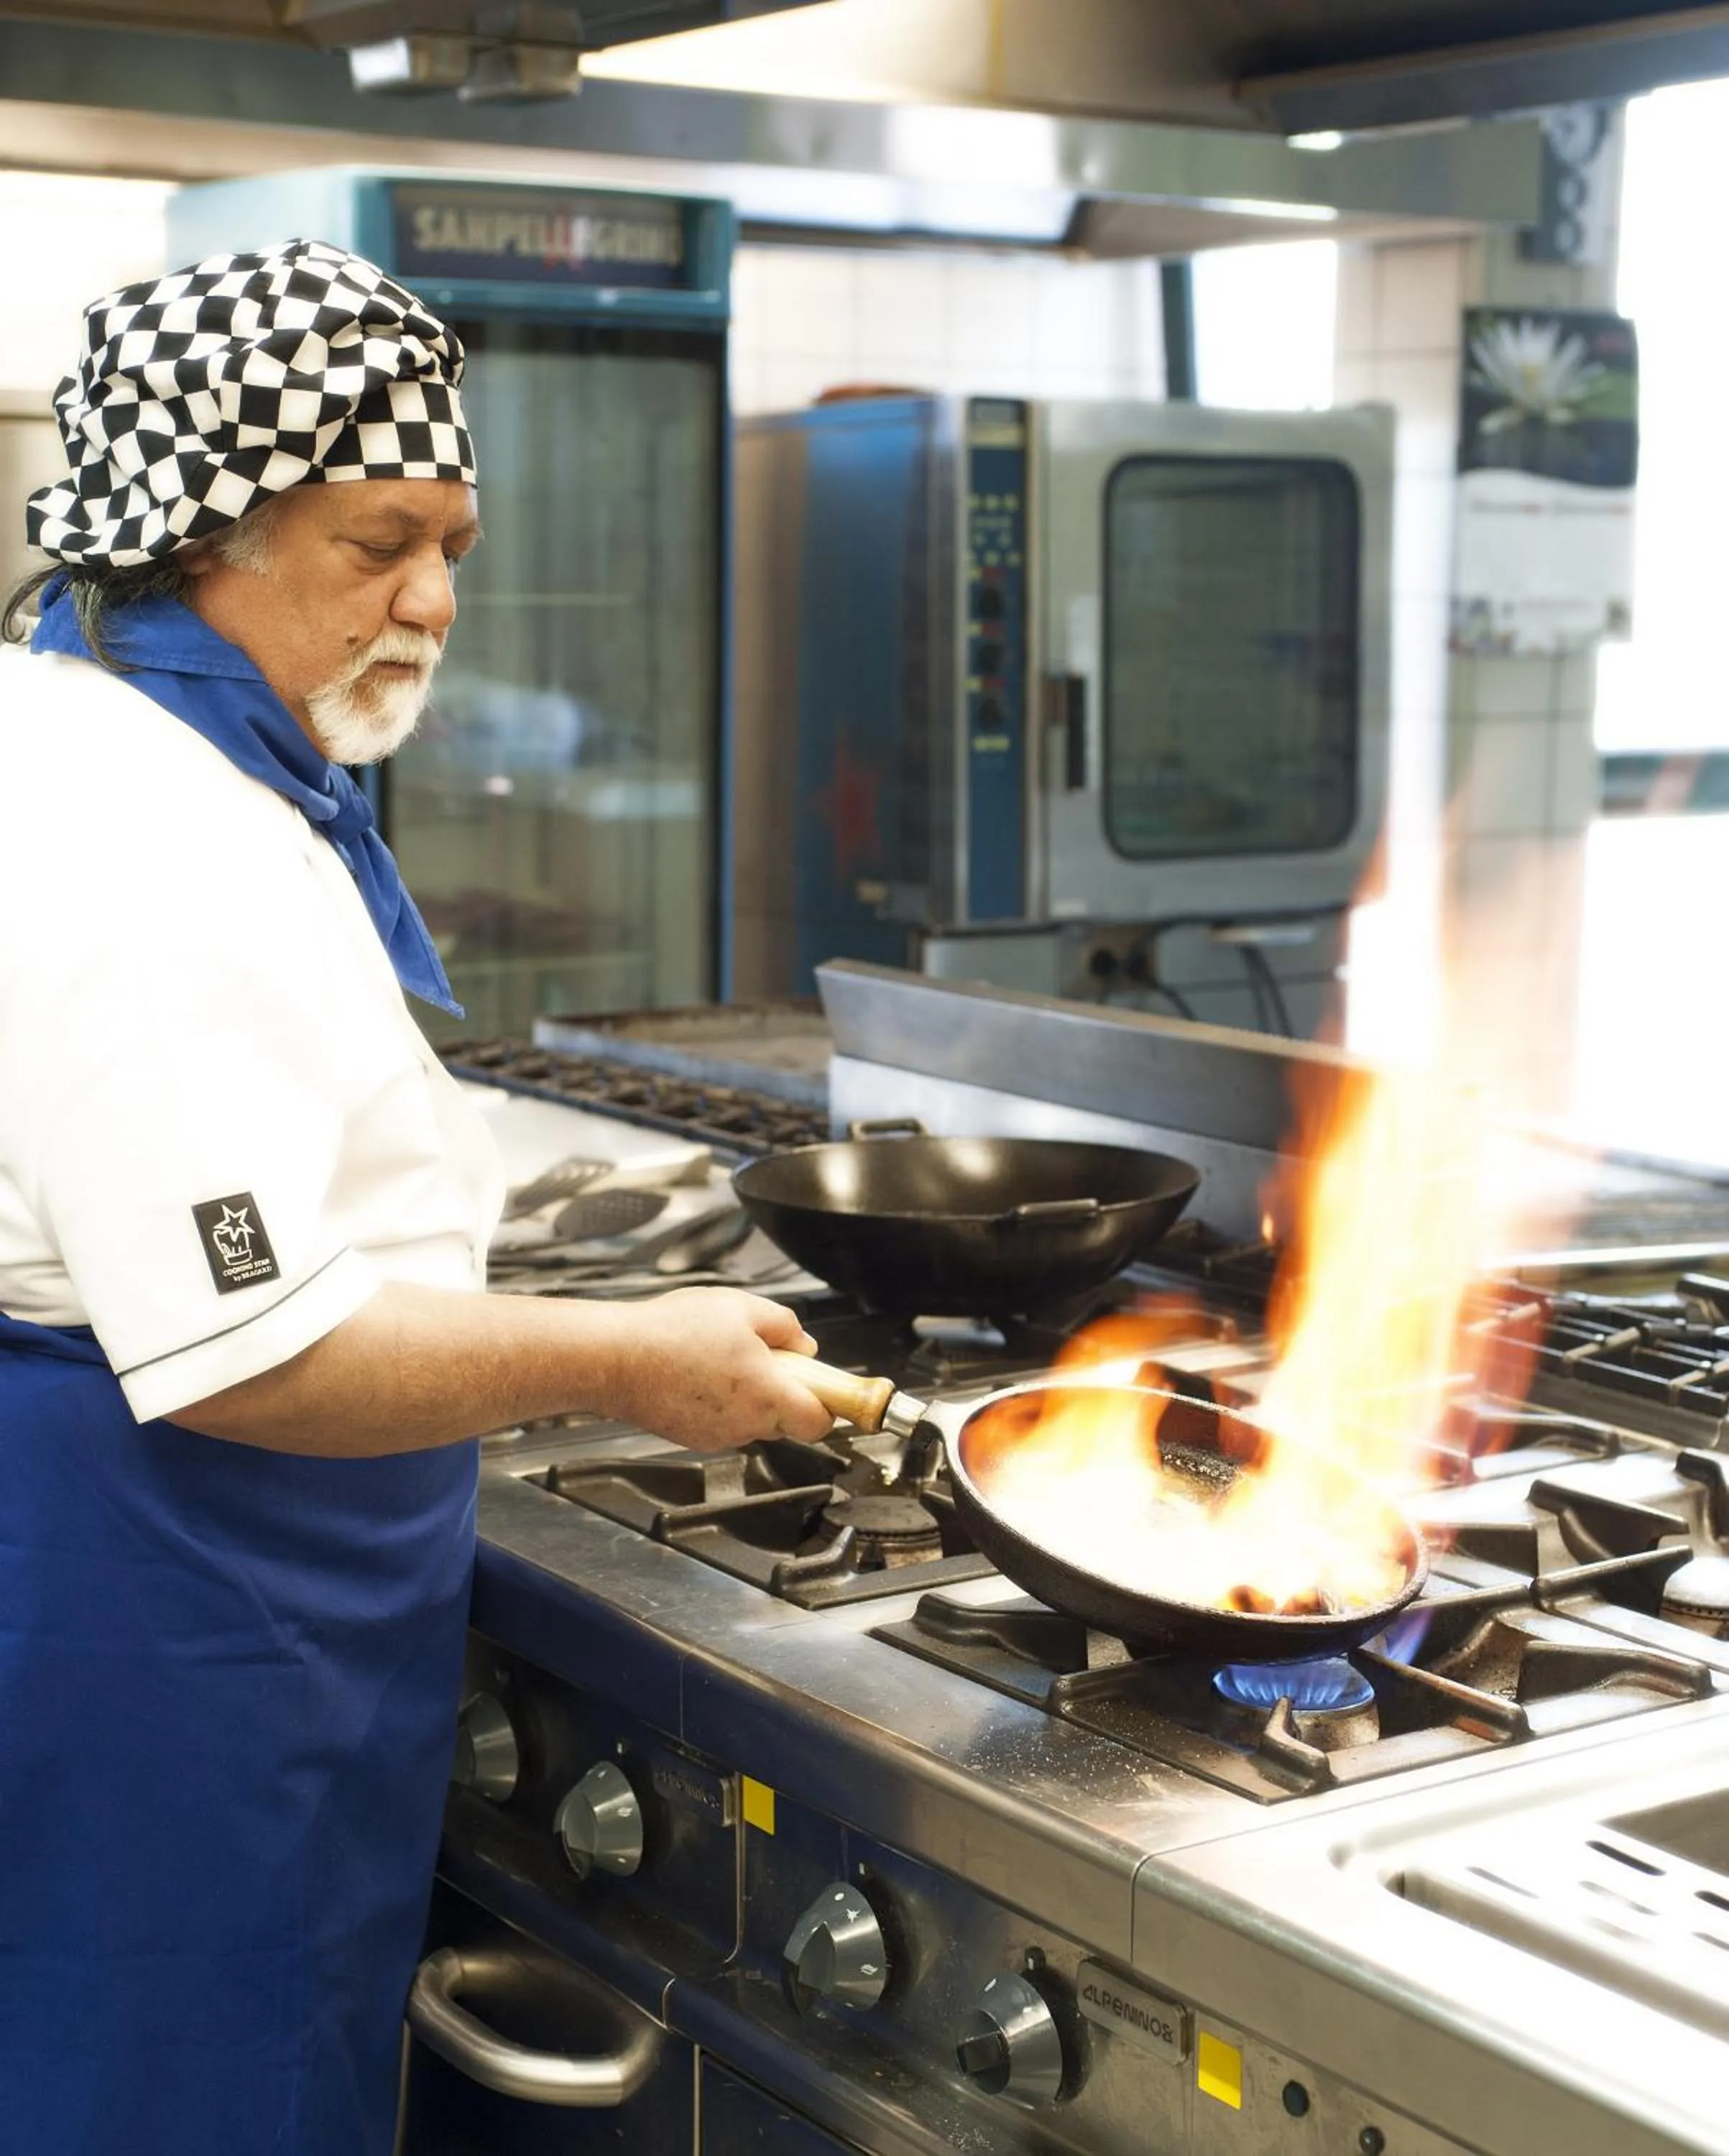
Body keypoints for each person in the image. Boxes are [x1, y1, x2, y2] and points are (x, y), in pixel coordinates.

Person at [0, 238, 833, 2156]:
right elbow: (247, 1358)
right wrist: (635, 1363)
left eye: (452, 538)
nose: (434, 599)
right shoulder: (140, 837)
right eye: (378, 542)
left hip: (207, 1605)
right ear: (194, 527)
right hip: (178, 1614)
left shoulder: (129, 737)